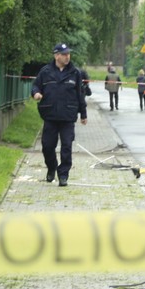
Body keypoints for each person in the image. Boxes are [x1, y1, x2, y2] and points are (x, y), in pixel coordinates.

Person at [31, 43, 88, 186]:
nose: (67, 56)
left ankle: (63, 175)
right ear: (56, 56)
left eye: (68, 54)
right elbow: (36, 85)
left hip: (68, 116)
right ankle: (51, 167)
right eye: (64, 54)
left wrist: (83, 114)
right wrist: (36, 93)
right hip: (50, 115)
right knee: (47, 146)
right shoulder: (45, 71)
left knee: (66, 146)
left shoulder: (75, 73)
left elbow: (80, 94)